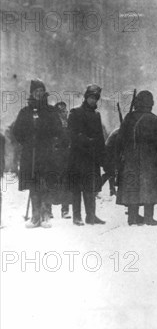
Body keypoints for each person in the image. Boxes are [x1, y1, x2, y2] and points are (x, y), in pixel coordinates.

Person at [13, 79, 63, 228]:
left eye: (41, 91)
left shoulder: (50, 110)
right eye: (36, 91)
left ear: (44, 93)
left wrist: (47, 137)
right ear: (32, 93)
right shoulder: (25, 111)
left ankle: (46, 215)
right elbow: (17, 132)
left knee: (46, 182)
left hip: (46, 153)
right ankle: (35, 216)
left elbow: (58, 129)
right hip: (31, 154)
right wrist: (27, 141)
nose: (39, 94)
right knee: (34, 184)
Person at [116, 91, 157, 225]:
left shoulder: (129, 117)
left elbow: (120, 138)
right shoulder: (154, 119)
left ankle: (132, 217)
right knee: (149, 185)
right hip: (149, 157)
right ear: (150, 103)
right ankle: (148, 218)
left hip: (130, 155)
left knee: (132, 184)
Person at [67, 84, 106, 225]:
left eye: (95, 98)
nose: (93, 101)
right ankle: (76, 217)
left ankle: (91, 216)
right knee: (77, 188)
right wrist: (86, 140)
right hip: (77, 156)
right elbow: (71, 133)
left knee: (90, 187)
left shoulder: (96, 115)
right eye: (90, 97)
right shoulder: (75, 112)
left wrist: (102, 156)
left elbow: (100, 137)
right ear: (86, 97)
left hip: (91, 157)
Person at [50, 101, 72, 219]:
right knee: (52, 182)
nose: (64, 113)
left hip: (66, 157)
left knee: (66, 183)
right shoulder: (51, 124)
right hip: (53, 157)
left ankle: (65, 210)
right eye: (61, 111)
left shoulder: (70, 124)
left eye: (65, 111)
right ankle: (48, 210)